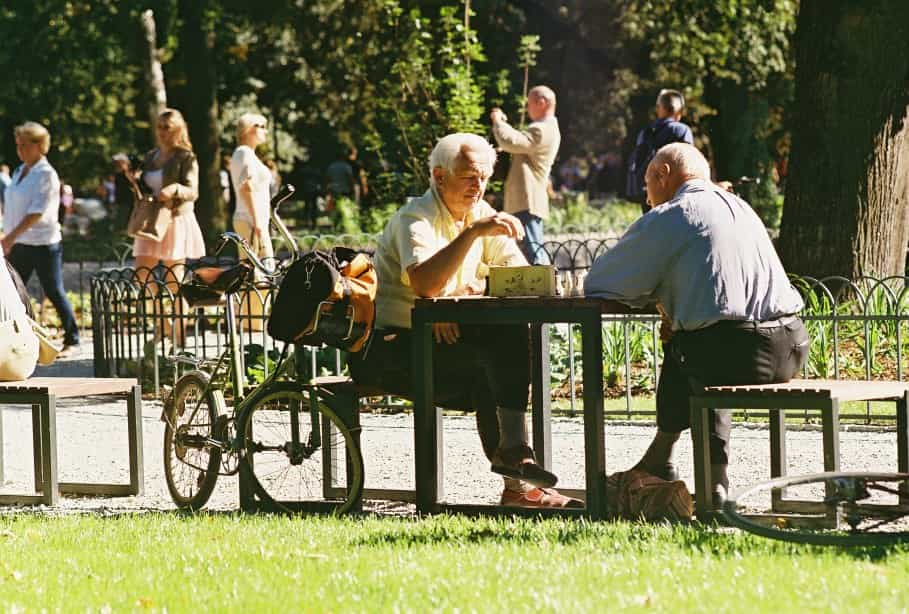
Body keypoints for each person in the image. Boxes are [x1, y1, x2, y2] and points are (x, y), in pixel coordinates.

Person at [348, 132, 581, 509]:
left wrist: (472, 289)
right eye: (470, 176)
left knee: (502, 350)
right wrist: (471, 239)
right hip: (393, 348)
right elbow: (426, 284)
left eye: (486, 177)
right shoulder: (416, 217)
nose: (480, 185)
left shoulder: (482, 215)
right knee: (494, 356)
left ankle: (516, 471)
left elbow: (521, 276)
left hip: (442, 342)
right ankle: (518, 474)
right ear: (439, 177)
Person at [584, 143, 808, 508]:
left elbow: (601, 281)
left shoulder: (675, 213)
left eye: (646, 185)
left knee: (699, 349)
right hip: (791, 343)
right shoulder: (740, 207)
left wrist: (655, 296)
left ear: (663, 176)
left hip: (739, 348)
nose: (646, 195)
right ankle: (662, 457)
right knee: (690, 344)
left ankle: (712, 482)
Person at [1, 122, 80, 355]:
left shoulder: (46, 174)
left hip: (43, 243)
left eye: (25, 145)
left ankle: (73, 339)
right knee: (13, 291)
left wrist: (10, 237)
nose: (20, 150)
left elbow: (37, 212)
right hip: (20, 242)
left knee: (54, 289)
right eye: (18, 145)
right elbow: (13, 206)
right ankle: (20, 337)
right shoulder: (18, 171)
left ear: (39, 146)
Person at [132, 108, 205, 345]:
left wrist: (174, 189)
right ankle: (163, 324)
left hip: (175, 219)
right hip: (151, 220)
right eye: (160, 127)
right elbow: (142, 187)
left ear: (178, 129)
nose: (162, 132)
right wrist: (131, 177)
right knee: (143, 275)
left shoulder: (186, 157)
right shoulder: (151, 156)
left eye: (168, 127)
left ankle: (179, 333)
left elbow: (193, 191)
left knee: (175, 280)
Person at [490, 85, 561, 265]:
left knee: (533, 255)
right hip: (526, 201)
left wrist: (498, 121)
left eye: (529, 103)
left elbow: (511, 141)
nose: (526, 108)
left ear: (542, 103)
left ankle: (544, 291)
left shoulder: (541, 129)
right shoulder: (546, 129)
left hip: (527, 201)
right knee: (528, 252)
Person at [230, 112, 274, 331]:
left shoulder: (248, 154)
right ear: (248, 128)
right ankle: (252, 324)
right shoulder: (243, 153)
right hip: (250, 220)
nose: (265, 130)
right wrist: (257, 222)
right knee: (261, 272)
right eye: (261, 125)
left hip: (253, 219)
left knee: (257, 272)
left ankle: (252, 321)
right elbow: (245, 187)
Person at [626, 89, 694, 214]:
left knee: (650, 224)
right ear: (679, 111)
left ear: (659, 108)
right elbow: (689, 163)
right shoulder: (682, 130)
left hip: (647, 188)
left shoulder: (645, 132)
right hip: (672, 190)